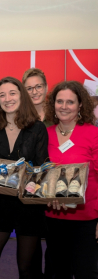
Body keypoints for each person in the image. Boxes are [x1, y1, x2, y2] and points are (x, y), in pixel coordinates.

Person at [0, 77, 48, 279]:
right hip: (1, 203)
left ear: (21, 96)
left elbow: (42, 167)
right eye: (2, 95)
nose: (7, 98)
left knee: (27, 268)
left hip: (29, 207)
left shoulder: (37, 128)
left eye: (12, 93)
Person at [44, 81, 98, 279]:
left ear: (80, 105)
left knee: (86, 273)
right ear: (53, 104)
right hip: (53, 217)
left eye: (70, 102)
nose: (64, 106)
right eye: (59, 101)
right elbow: (38, 174)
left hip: (86, 220)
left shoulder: (93, 133)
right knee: (57, 272)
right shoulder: (45, 134)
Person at [22, 68, 52, 279]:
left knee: (56, 250)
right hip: (30, 192)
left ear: (46, 87)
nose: (34, 92)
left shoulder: (59, 114)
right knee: (31, 255)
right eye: (29, 88)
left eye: (38, 86)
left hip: (53, 191)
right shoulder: (20, 118)